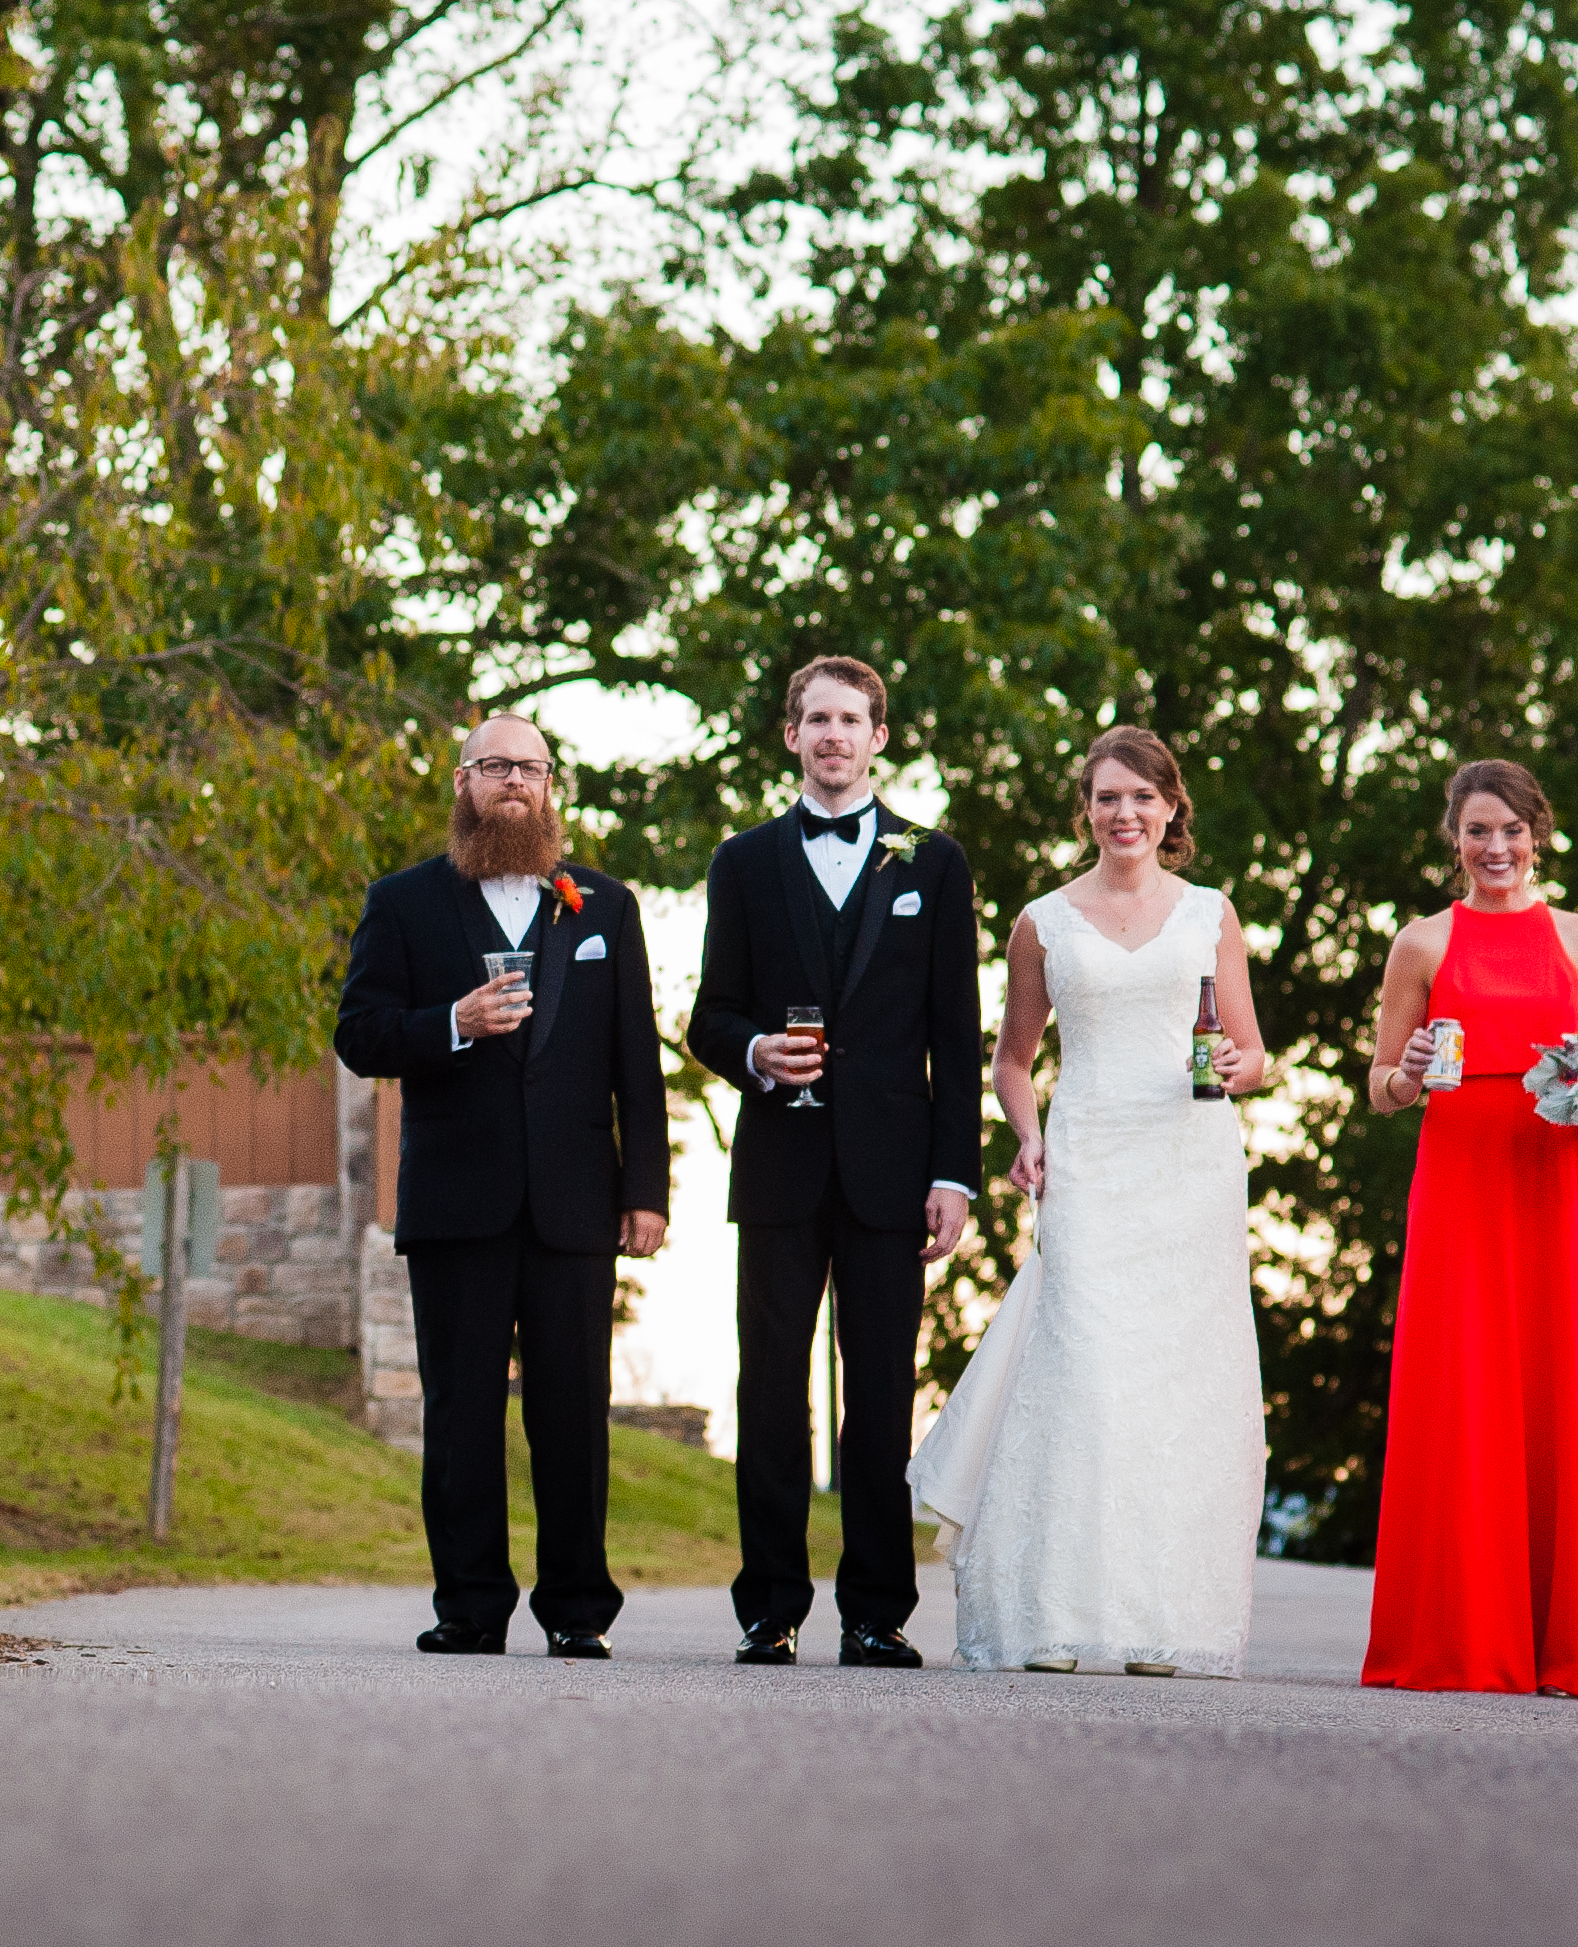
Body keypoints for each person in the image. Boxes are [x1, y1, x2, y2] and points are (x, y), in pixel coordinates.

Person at [907, 726, 1271, 1676]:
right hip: (1089, 1161)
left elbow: (1253, 1050)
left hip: (1189, 1169)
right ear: (1087, 809)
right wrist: (1028, 1135)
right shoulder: (1043, 920)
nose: (1125, 813)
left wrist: (1238, 1066)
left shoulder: (1210, 913)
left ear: (1170, 808)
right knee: (1085, 1378)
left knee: (1177, 1389)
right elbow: (1012, 1061)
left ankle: (1165, 1622)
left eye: (1142, 797)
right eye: (1108, 797)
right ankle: (1053, 1614)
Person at [334, 713, 671, 1659]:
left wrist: (645, 1189)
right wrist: (451, 1020)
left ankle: (576, 1609)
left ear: (550, 782)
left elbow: (633, 1059)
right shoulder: (403, 902)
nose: (510, 781)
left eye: (526, 767)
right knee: (461, 1410)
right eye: (492, 767)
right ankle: (470, 1606)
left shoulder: (604, 905)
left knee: (573, 1412)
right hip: (454, 1202)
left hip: (576, 1203)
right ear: (461, 782)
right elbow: (358, 1034)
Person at [686, 656, 982, 1668]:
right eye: (815, 718)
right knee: (768, 1389)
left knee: (881, 1394)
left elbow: (957, 1030)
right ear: (790, 736)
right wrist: (756, 1054)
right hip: (777, 1166)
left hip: (893, 1173)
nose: (832, 735)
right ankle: (769, 1609)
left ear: (879, 737)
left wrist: (956, 1174)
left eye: (850, 719)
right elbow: (708, 1017)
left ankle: (876, 1613)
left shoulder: (932, 864)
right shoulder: (744, 862)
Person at [1357, 758, 1578, 1698]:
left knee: (1553, 1386)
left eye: (1510, 830)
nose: (1495, 848)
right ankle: (1457, 1639)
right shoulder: (1421, 944)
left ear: (1537, 832)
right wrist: (1412, 1073)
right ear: (1453, 838)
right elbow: (1381, 1087)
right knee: (1462, 1394)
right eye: (1477, 831)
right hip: (1460, 1182)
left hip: (1552, 1186)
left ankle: (1563, 1649)